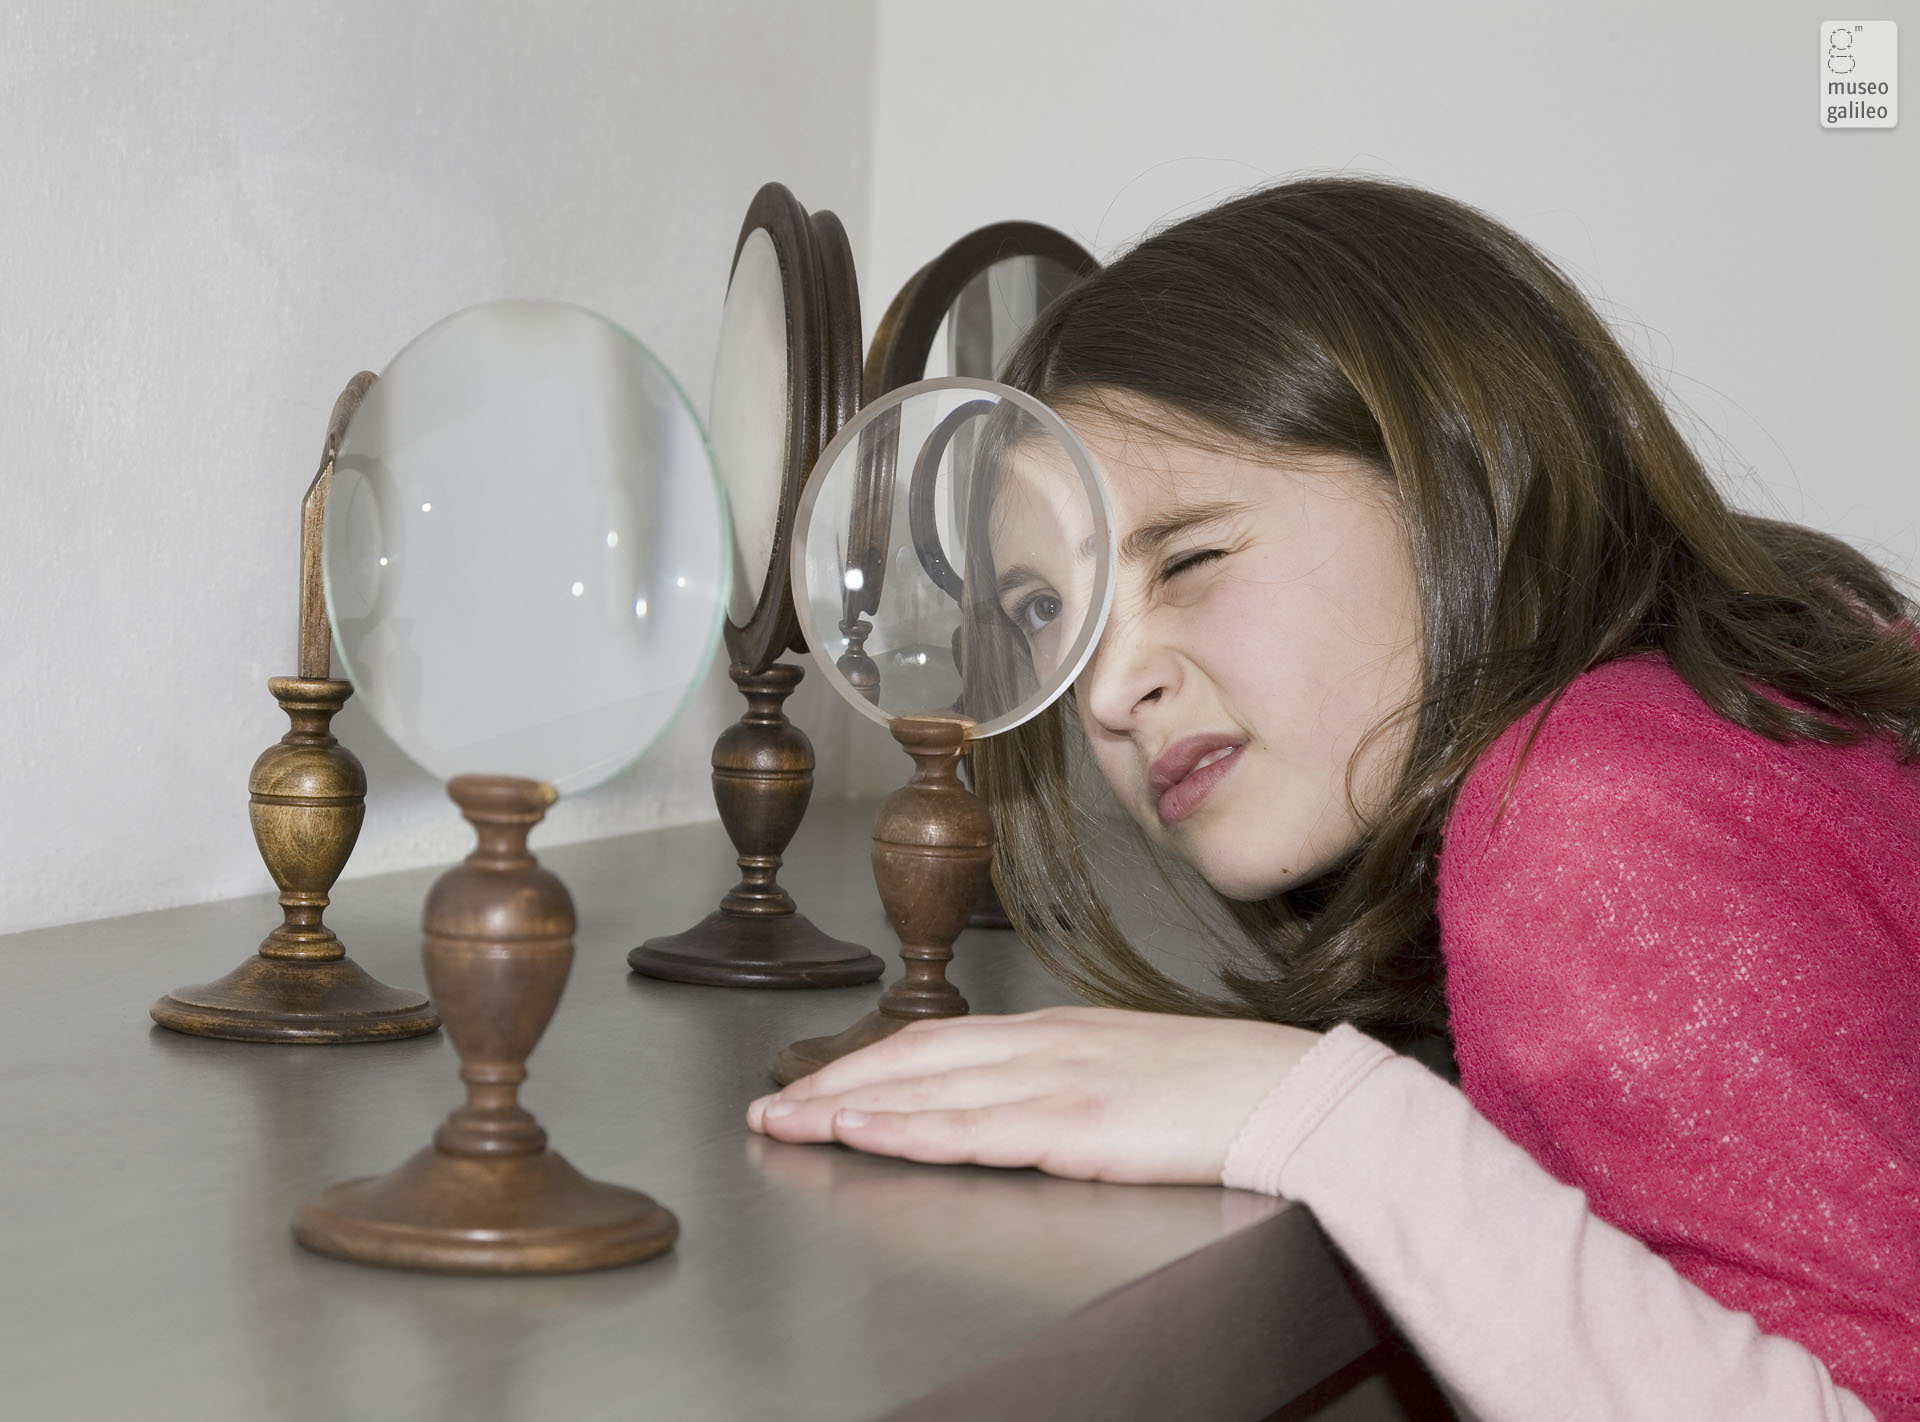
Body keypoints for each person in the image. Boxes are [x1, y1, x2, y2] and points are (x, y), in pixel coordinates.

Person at [746, 177, 1920, 1420]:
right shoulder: (1730, 712)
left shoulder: (1592, 813)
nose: (1107, 690)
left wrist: (1335, 1127)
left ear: (1463, 474)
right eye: (1051, 616)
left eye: (1190, 558)